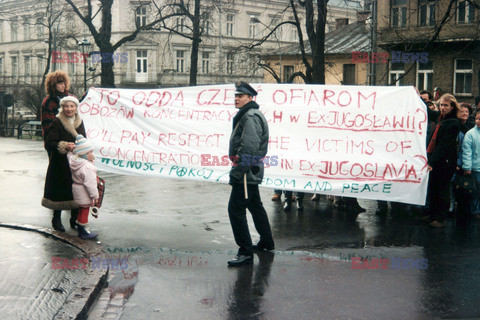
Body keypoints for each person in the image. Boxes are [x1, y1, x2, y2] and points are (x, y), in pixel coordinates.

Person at [227, 81, 275, 267]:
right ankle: (266, 242)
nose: (236, 99)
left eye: (240, 96)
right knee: (255, 206)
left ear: (250, 97)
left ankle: (245, 252)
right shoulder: (249, 114)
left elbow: (249, 147)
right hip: (250, 171)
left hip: (246, 172)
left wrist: (237, 172)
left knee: (235, 210)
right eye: (235, 96)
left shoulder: (250, 116)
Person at [40, 70, 79, 229]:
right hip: (56, 145)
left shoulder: (70, 99)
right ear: (53, 85)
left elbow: (78, 119)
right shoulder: (49, 102)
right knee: (59, 180)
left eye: (63, 83)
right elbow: (49, 127)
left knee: (76, 179)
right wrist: (61, 144)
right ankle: (56, 217)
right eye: (59, 83)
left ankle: (74, 215)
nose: (62, 86)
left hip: (74, 146)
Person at [41, 96, 86, 232]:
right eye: (66, 106)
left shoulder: (80, 122)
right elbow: (50, 142)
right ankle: (56, 218)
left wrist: (83, 148)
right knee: (59, 191)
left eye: (72, 106)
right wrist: (65, 145)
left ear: (76, 108)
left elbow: (85, 139)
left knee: (77, 191)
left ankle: (74, 218)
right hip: (60, 163)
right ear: (62, 108)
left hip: (76, 162)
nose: (69, 109)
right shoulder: (57, 121)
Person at [425, 94, 461, 227]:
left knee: (443, 190)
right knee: (433, 188)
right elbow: (427, 111)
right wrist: (417, 97)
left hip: (445, 162)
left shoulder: (453, 123)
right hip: (436, 160)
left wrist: (431, 162)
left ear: (452, 107)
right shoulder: (440, 117)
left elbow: (443, 145)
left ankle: (441, 218)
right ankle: (432, 215)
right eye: (441, 105)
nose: (442, 108)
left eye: (446, 105)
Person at [68, 135, 99, 239]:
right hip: (84, 192)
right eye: (89, 152)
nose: (92, 154)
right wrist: (95, 196)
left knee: (81, 209)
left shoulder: (74, 161)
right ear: (84, 155)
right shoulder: (87, 167)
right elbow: (90, 184)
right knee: (85, 211)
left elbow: (70, 156)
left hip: (76, 189)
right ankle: (83, 232)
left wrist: (70, 150)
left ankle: (80, 225)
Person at [462, 109, 480, 220]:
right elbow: (467, 152)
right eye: (477, 118)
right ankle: (476, 210)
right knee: (475, 191)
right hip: (476, 168)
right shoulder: (470, 134)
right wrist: (467, 167)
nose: (478, 121)